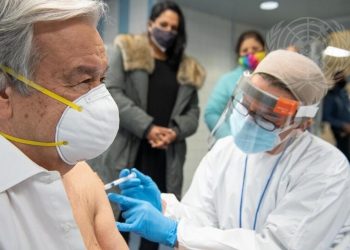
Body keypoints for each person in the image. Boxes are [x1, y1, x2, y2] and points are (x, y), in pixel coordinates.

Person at [109, 50, 350, 249]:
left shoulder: (327, 169)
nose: (249, 120)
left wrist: (174, 231)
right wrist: (166, 209)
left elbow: (279, 245)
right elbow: (201, 220)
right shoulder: (225, 150)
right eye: (246, 105)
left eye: (267, 116)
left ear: (302, 120)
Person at [0, 0, 128, 249]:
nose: (101, 101)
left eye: (101, 79)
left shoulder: (82, 176)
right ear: (5, 93)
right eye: (82, 81)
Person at [88, 1, 205, 249]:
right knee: (113, 217)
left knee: (155, 214)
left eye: (174, 27)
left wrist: (173, 132)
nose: (168, 31)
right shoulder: (126, 51)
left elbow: (193, 113)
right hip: (127, 148)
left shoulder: (187, 68)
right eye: (163, 24)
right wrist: (148, 127)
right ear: (150, 24)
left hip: (165, 155)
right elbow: (112, 91)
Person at [205, 30, 265, 139]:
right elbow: (211, 113)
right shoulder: (227, 80)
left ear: (264, 50)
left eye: (255, 49)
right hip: (233, 146)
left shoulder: (271, 80)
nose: (250, 53)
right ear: (238, 54)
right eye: (245, 50)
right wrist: (229, 140)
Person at [323, 71, 350, 161]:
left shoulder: (344, 94)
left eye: (344, 78)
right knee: (343, 156)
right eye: (341, 78)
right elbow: (326, 116)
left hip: (347, 132)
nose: (344, 80)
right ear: (335, 80)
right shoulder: (331, 96)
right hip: (340, 133)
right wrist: (342, 125)